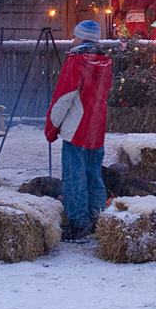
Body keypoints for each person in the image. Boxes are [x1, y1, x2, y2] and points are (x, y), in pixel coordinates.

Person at [45, 20, 113, 240]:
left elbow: (64, 98)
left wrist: (51, 128)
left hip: (76, 128)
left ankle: (78, 224)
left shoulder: (76, 62)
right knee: (94, 175)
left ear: (82, 38)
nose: (73, 40)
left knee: (74, 177)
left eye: (75, 36)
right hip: (97, 126)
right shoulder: (105, 62)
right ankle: (98, 218)